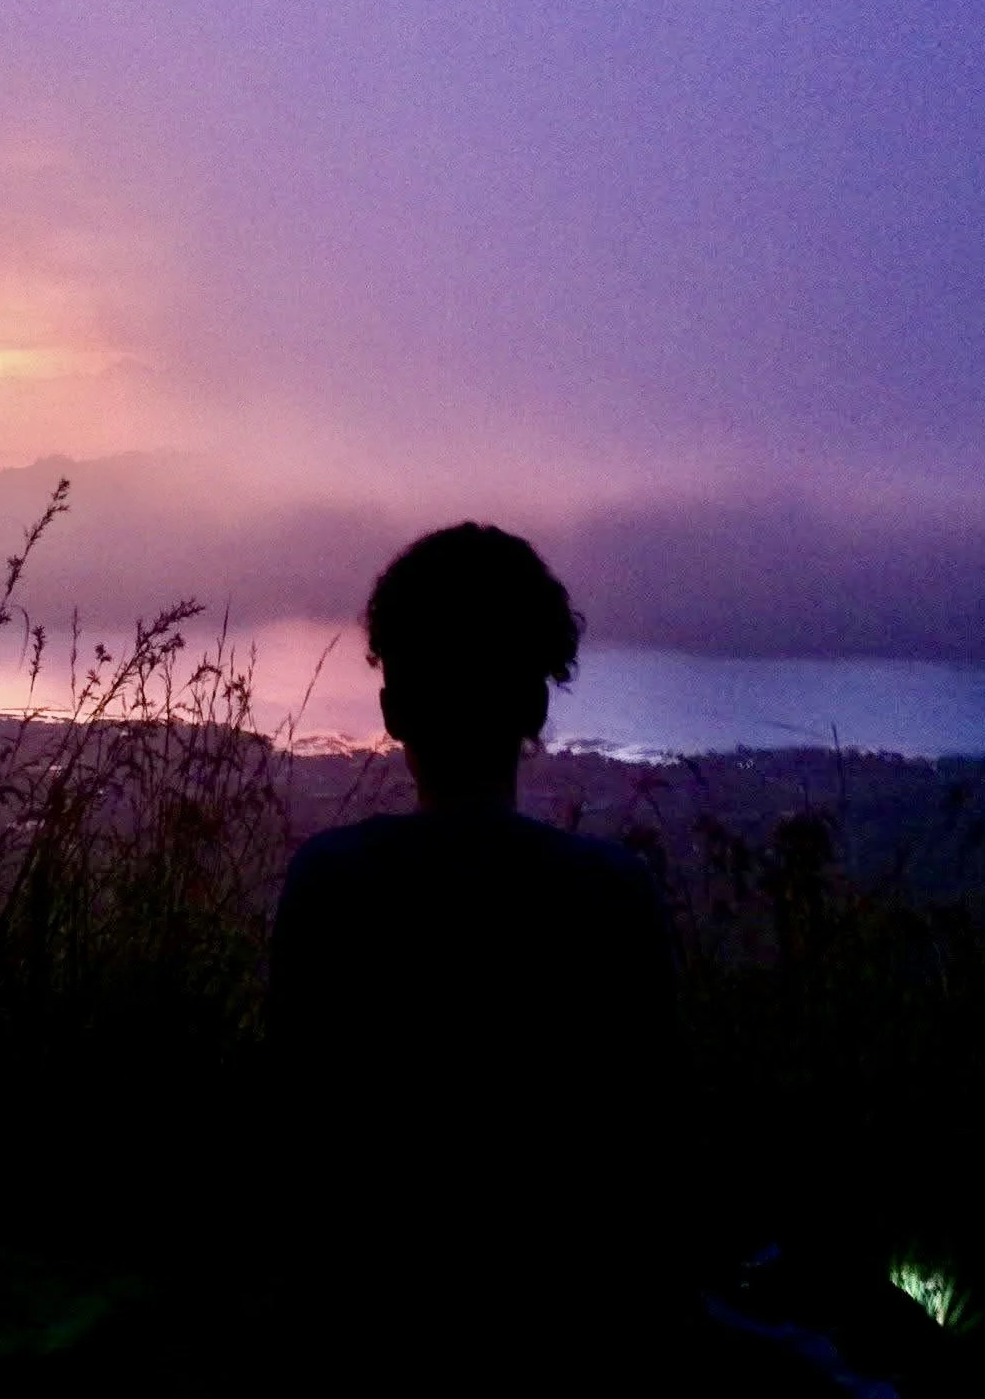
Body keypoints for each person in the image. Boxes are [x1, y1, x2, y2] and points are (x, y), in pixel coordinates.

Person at [267, 523, 692, 1394]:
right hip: (569, 1347)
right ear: (537, 707)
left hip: (366, 1343)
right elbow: (650, 1164)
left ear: (392, 711)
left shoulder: (331, 887)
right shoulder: (613, 898)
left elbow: (299, 1152)